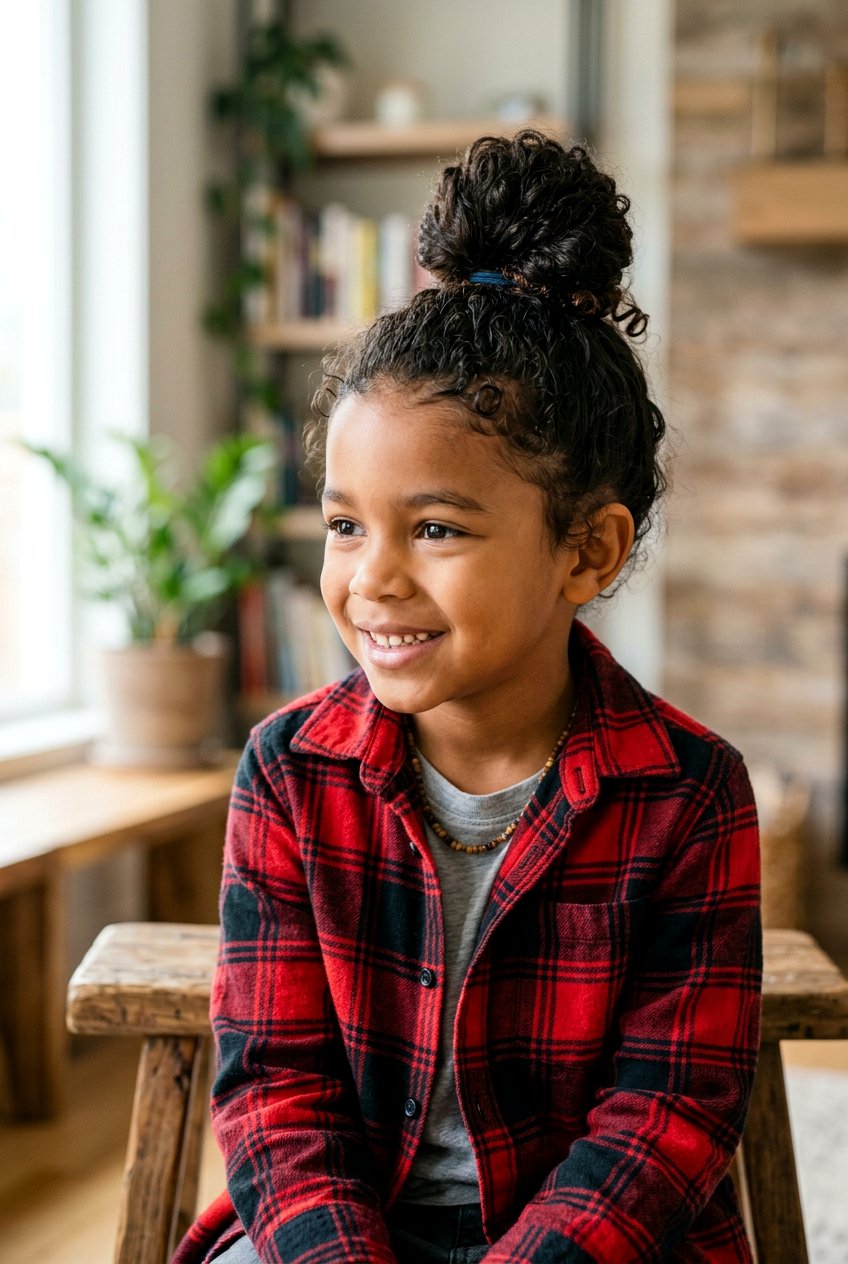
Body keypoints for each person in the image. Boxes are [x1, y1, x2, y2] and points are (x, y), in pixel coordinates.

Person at [175, 131, 761, 1264]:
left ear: (585, 553)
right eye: (347, 523)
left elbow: (666, 1121)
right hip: (343, 1237)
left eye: (434, 527)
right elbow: (274, 1098)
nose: (371, 578)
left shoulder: (692, 796)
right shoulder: (287, 773)